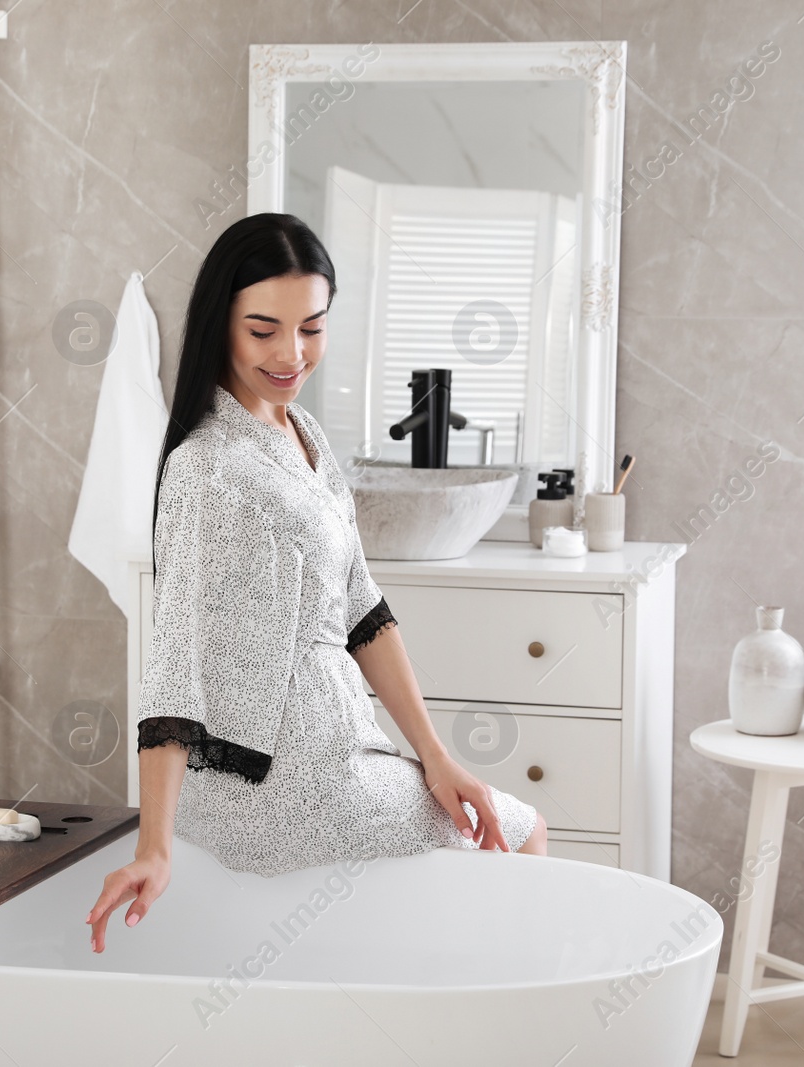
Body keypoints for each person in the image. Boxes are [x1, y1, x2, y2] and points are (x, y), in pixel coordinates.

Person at [87, 214, 546, 953]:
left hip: (340, 746)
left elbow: (364, 609)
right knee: (524, 833)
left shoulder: (301, 432)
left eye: (312, 327)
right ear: (221, 323)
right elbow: (175, 661)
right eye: (263, 329)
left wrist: (434, 755)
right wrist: (154, 845)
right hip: (279, 782)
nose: (291, 353)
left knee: (487, 816)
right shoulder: (208, 468)